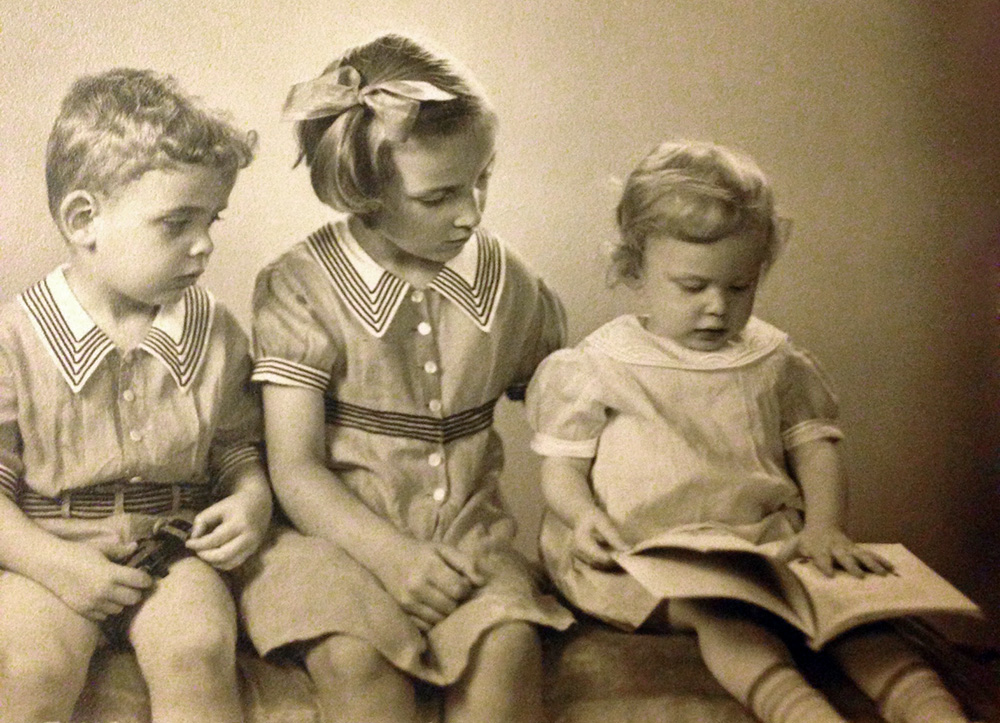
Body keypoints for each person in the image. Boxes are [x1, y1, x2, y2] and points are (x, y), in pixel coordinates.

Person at [525, 140, 979, 723]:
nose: (717, 306)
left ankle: (929, 706)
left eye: (739, 287)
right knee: (723, 615)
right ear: (634, 269)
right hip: (646, 555)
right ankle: (798, 710)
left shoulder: (772, 358)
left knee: (848, 614)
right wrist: (583, 516)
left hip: (763, 543)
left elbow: (816, 449)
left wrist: (824, 527)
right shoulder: (599, 365)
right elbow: (562, 467)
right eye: (693, 287)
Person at [236, 33, 573, 723]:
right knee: (355, 659)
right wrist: (391, 557)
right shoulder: (302, 286)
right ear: (364, 193)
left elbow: (569, 406)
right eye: (439, 195)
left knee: (506, 647)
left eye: (482, 179)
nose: (471, 212)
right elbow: (294, 467)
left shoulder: (508, 281)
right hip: (328, 542)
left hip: (467, 539)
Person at [0, 69, 272, 723]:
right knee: (34, 667)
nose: (205, 244)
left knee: (198, 650)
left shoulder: (214, 330)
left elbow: (237, 448)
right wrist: (54, 563)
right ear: (84, 220)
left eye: (211, 219)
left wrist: (251, 500)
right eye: (177, 222)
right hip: (46, 547)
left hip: (173, 547)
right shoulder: (16, 337)